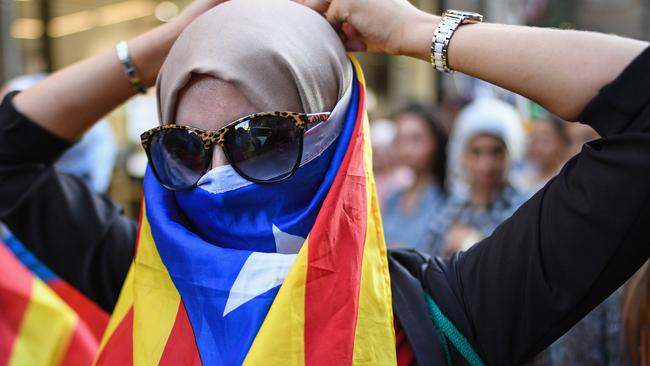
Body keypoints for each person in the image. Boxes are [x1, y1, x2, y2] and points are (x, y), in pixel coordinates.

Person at [0, 0, 649, 364]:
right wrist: (169, 40)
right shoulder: (142, 282)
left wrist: (421, 34)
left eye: (264, 139)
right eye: (184, 148)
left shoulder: (440, 315)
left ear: (334, 136)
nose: (221, 175)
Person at [431, 97, 527, 256]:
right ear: (463, 156)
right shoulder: (451, 207)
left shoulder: (525, 207)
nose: (486, 165)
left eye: (496, 152)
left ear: (511, 154)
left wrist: (473, 244)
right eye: (476, 152)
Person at [381, 103, 447, 254]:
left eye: (416, 139)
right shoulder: (393, 196)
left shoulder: (450, 199)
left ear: (437, 142)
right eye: (400, 138)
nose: (406, 148)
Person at [517, 116, 570, 193]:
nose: (538, 148)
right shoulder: (521, 173)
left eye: (545, 141)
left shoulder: (565, 181)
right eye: (534, 139)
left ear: (562, 142)